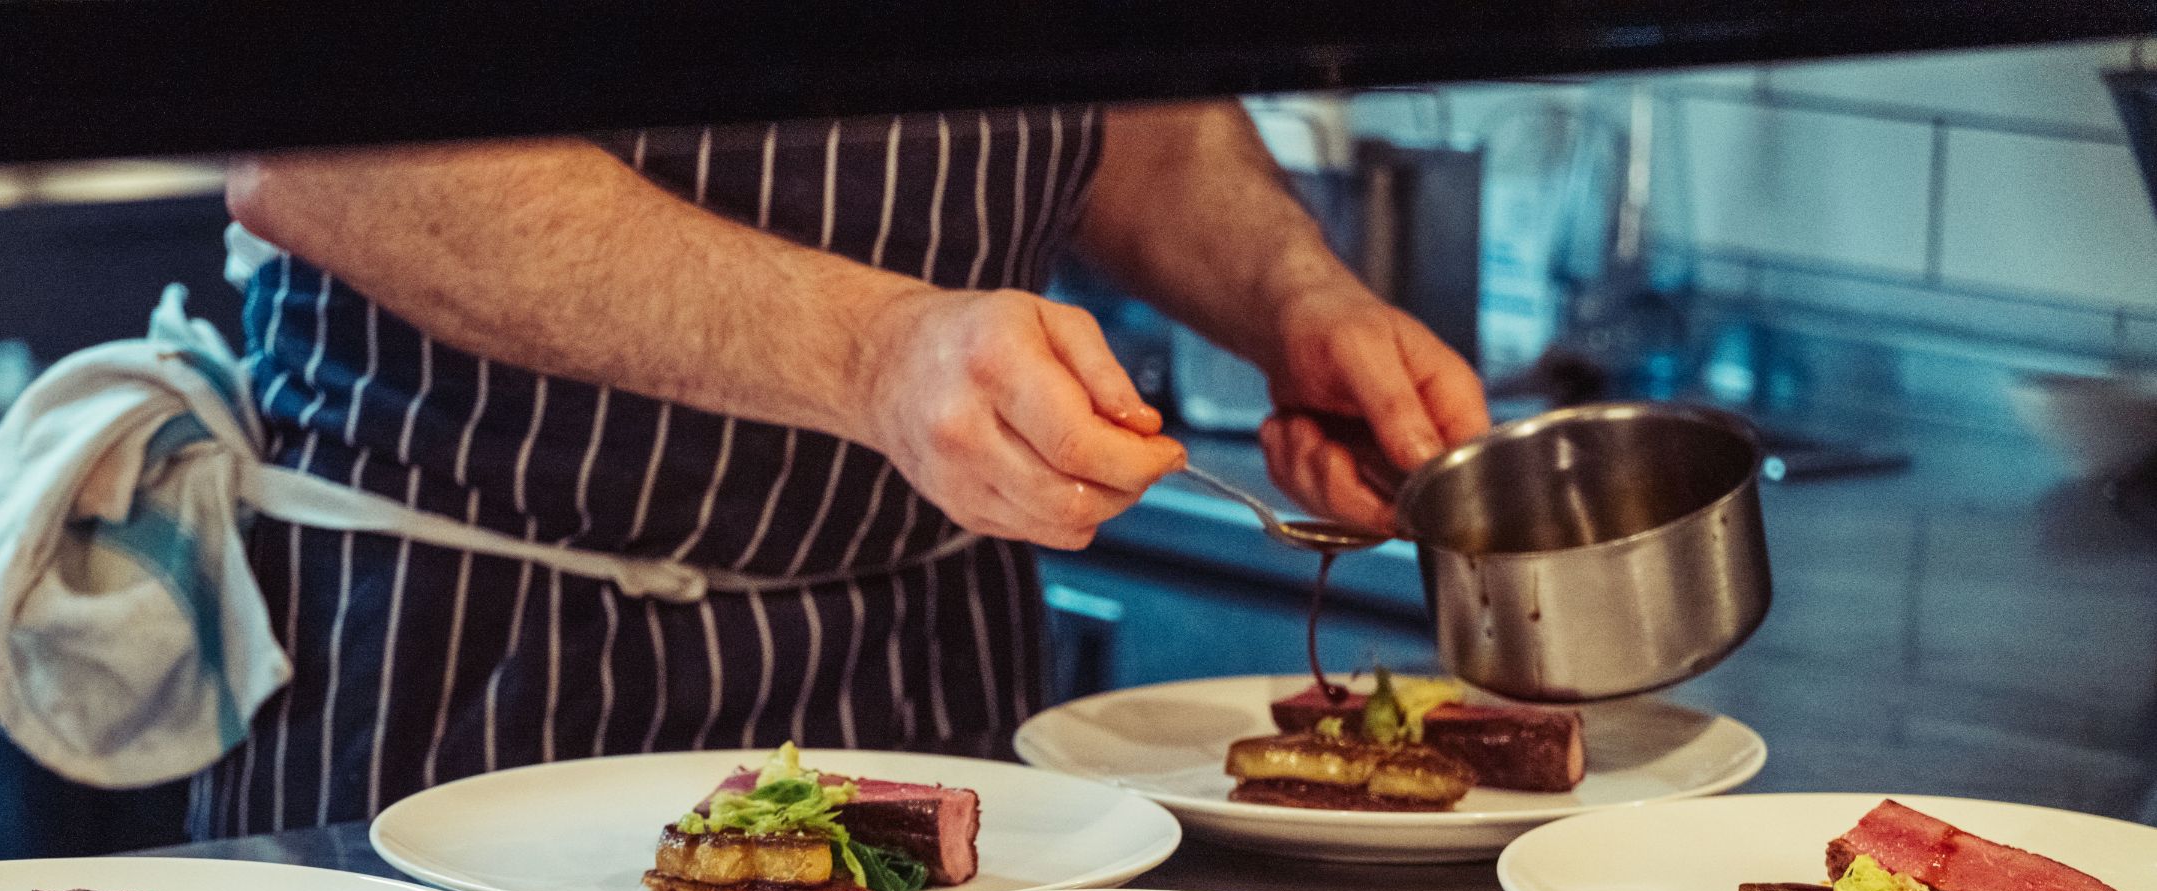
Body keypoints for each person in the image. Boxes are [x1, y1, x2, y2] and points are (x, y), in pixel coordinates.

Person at [192, 100, 1488, 837]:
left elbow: (1140, 128)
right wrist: (868, 353)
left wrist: (1290, 295)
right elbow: (332, 151)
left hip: (925, 639)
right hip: (467, 638)